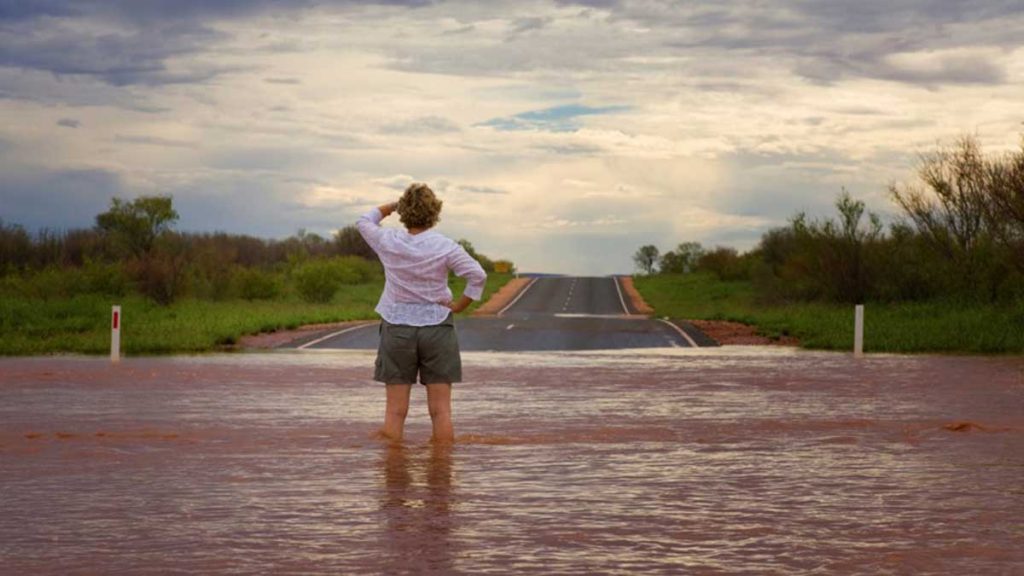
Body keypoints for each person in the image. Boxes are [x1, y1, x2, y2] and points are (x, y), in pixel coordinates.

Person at [357, 182, 487, 444]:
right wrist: (460, 305)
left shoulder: (388, 240)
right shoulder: (446, 246)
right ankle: (441, 476)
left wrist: (394, 205)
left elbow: (363, 221)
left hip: (396, 327)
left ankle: (394, 479)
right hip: (438, 327)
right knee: (441, 411)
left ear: (405, 212)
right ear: (435, 213)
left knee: (395, 412)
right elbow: (478, 275)